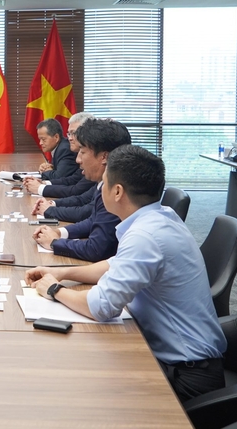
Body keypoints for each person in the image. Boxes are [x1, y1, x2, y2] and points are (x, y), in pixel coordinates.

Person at [25, 145, 226, 402]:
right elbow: (116, 264)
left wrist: (54, 290)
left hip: (185, 377)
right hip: (181, 360)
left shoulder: (145, 236)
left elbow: (101, 306)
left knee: (76, 390)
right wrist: (62, 272)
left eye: (104, 184)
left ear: (117, 192)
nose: (100, 189)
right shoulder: (161, 216)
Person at [32, 118, 131, 262]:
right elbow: (93, 220)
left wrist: (54, 243)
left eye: (82, 152)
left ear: (104, 157)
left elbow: (96, 249)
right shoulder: (106, 182)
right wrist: (59, 233)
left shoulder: (117, 190)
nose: (78, 159)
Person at [24, 112, 95, 197]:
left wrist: (40, 187)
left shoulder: (66, 149)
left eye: (74, 133)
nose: (70, 138)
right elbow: (72, 180)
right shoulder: (70, 149)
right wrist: (43, 183)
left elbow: (76, 190)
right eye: (69, 133)